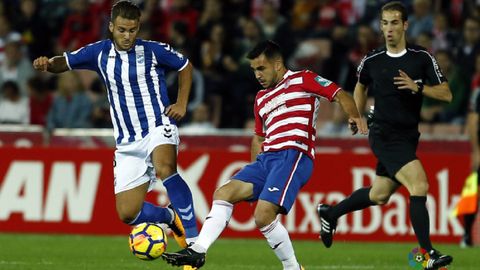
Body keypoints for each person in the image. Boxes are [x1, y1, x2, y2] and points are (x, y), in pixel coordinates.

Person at [162, 40, 367, 269]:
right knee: (224, 193)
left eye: (261, 68)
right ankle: (198, 250)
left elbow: (340, 94)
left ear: (277, 64)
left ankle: (293, 268)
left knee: (263, 217)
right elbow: (258, 139)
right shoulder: (261, 99)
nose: (257, 74)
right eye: (254, 70)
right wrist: (255, 181)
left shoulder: (304, 78)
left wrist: (354, 116)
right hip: (266, 160)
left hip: (293, 153)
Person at [32, 1, 199, 265]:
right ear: (111, 27)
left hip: (157, 125)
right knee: (128, 213)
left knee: (166, 168)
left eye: (132, 30)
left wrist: (181, 103)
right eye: (122, 29)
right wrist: (46, 63)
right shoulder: (98, 53)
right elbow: (63, 63)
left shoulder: (153, 51)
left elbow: (185, 66)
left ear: (139, 28)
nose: (127, 36)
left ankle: (193, 245)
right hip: (127, 142)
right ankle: (169, 218)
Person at [316, 2, 453, 269]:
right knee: (419, 185)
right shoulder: (372, 59)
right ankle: (428, 256)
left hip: (408, 135)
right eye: (384, 23)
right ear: (380, 26)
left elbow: (446, 94)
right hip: (383, 133)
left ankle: (330, 213)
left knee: (379, 195)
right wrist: (355, 116)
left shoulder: (422, 58)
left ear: (405, 25)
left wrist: (419, 86)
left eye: (394, 23)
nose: (388, 29)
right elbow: (360, 87)